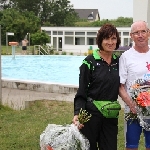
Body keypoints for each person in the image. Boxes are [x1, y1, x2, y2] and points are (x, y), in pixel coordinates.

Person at [72, 23, 121, 150]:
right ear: (100, 41)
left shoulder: (119, 62)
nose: (110, 42)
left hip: (110, 115)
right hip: (91, 116)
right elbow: (81, 92)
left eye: (113, 38)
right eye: (107, 38)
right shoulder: (89, 62)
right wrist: (77, 113)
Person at [119, 20, 150, 150]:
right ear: (131, 36)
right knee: (131, 147)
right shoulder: (126, 57)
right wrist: (132, 106)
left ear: (148, 33)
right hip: (133, 114)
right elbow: (120, 86)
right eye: (136, 33)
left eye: (143, 31)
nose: (140, 35)